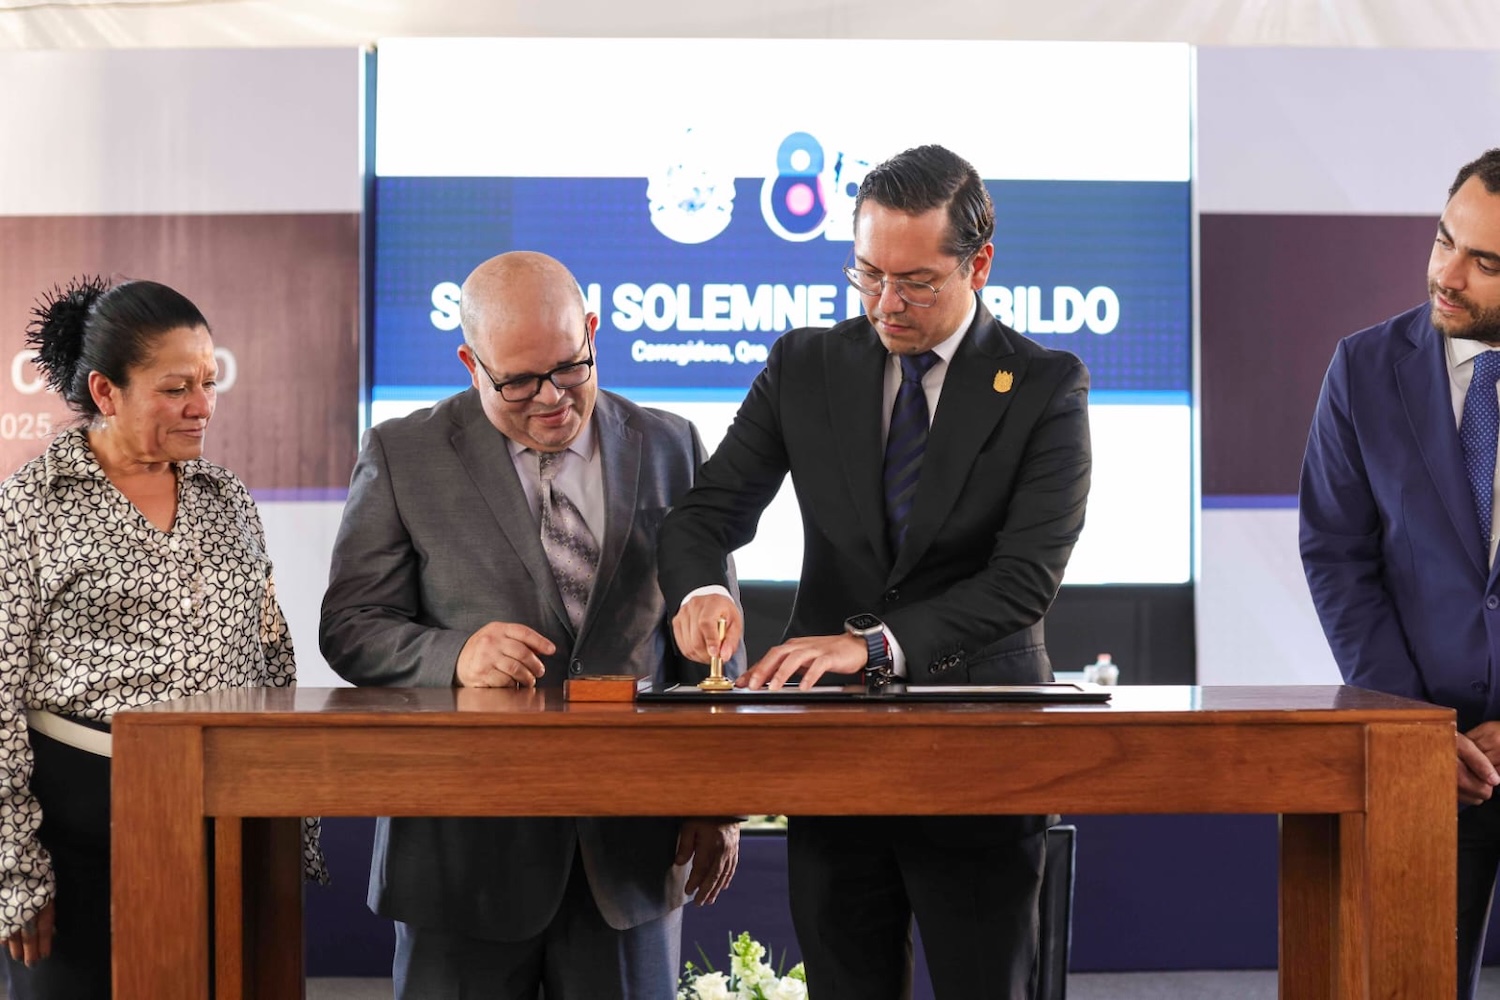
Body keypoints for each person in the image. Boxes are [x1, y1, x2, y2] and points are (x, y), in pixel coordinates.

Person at [658, 145, 1093, 1000]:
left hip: (980, 753)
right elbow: (703, 517)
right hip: (833, 757)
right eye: (868, 274)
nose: (886, 303)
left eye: (916, 282)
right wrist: (703, 589)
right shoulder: (805, 366)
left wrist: (873, 645)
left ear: (979, 265)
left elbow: (1022, 583)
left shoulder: (1045, 387)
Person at [319, 251, 743, 999]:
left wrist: (719, 799)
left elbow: (712, 638)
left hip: (630, 854)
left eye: (570, 368)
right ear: (470, 364)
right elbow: (351, 625)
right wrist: (455, 656)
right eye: (518, 382)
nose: (551, 398)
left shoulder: (671, 444)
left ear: (592, 331)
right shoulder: (402, 452)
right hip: (461, 859)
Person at [0, 277, 324, 1000]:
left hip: (226, 817)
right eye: (176, 389)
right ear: (106, 392)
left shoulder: (225, 497)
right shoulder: (31, 505)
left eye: (208, 383)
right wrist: (15, 872)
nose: (201, 406)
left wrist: (291, 823)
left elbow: (271, 654)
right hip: (79, 832)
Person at [1300, 147, 1500, 1000]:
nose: (1447, 274)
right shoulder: (1363, 368)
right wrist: (1416, 731)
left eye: (1486, 261)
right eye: (1445, 238)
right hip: (1429, 761)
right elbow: (1337, 557)